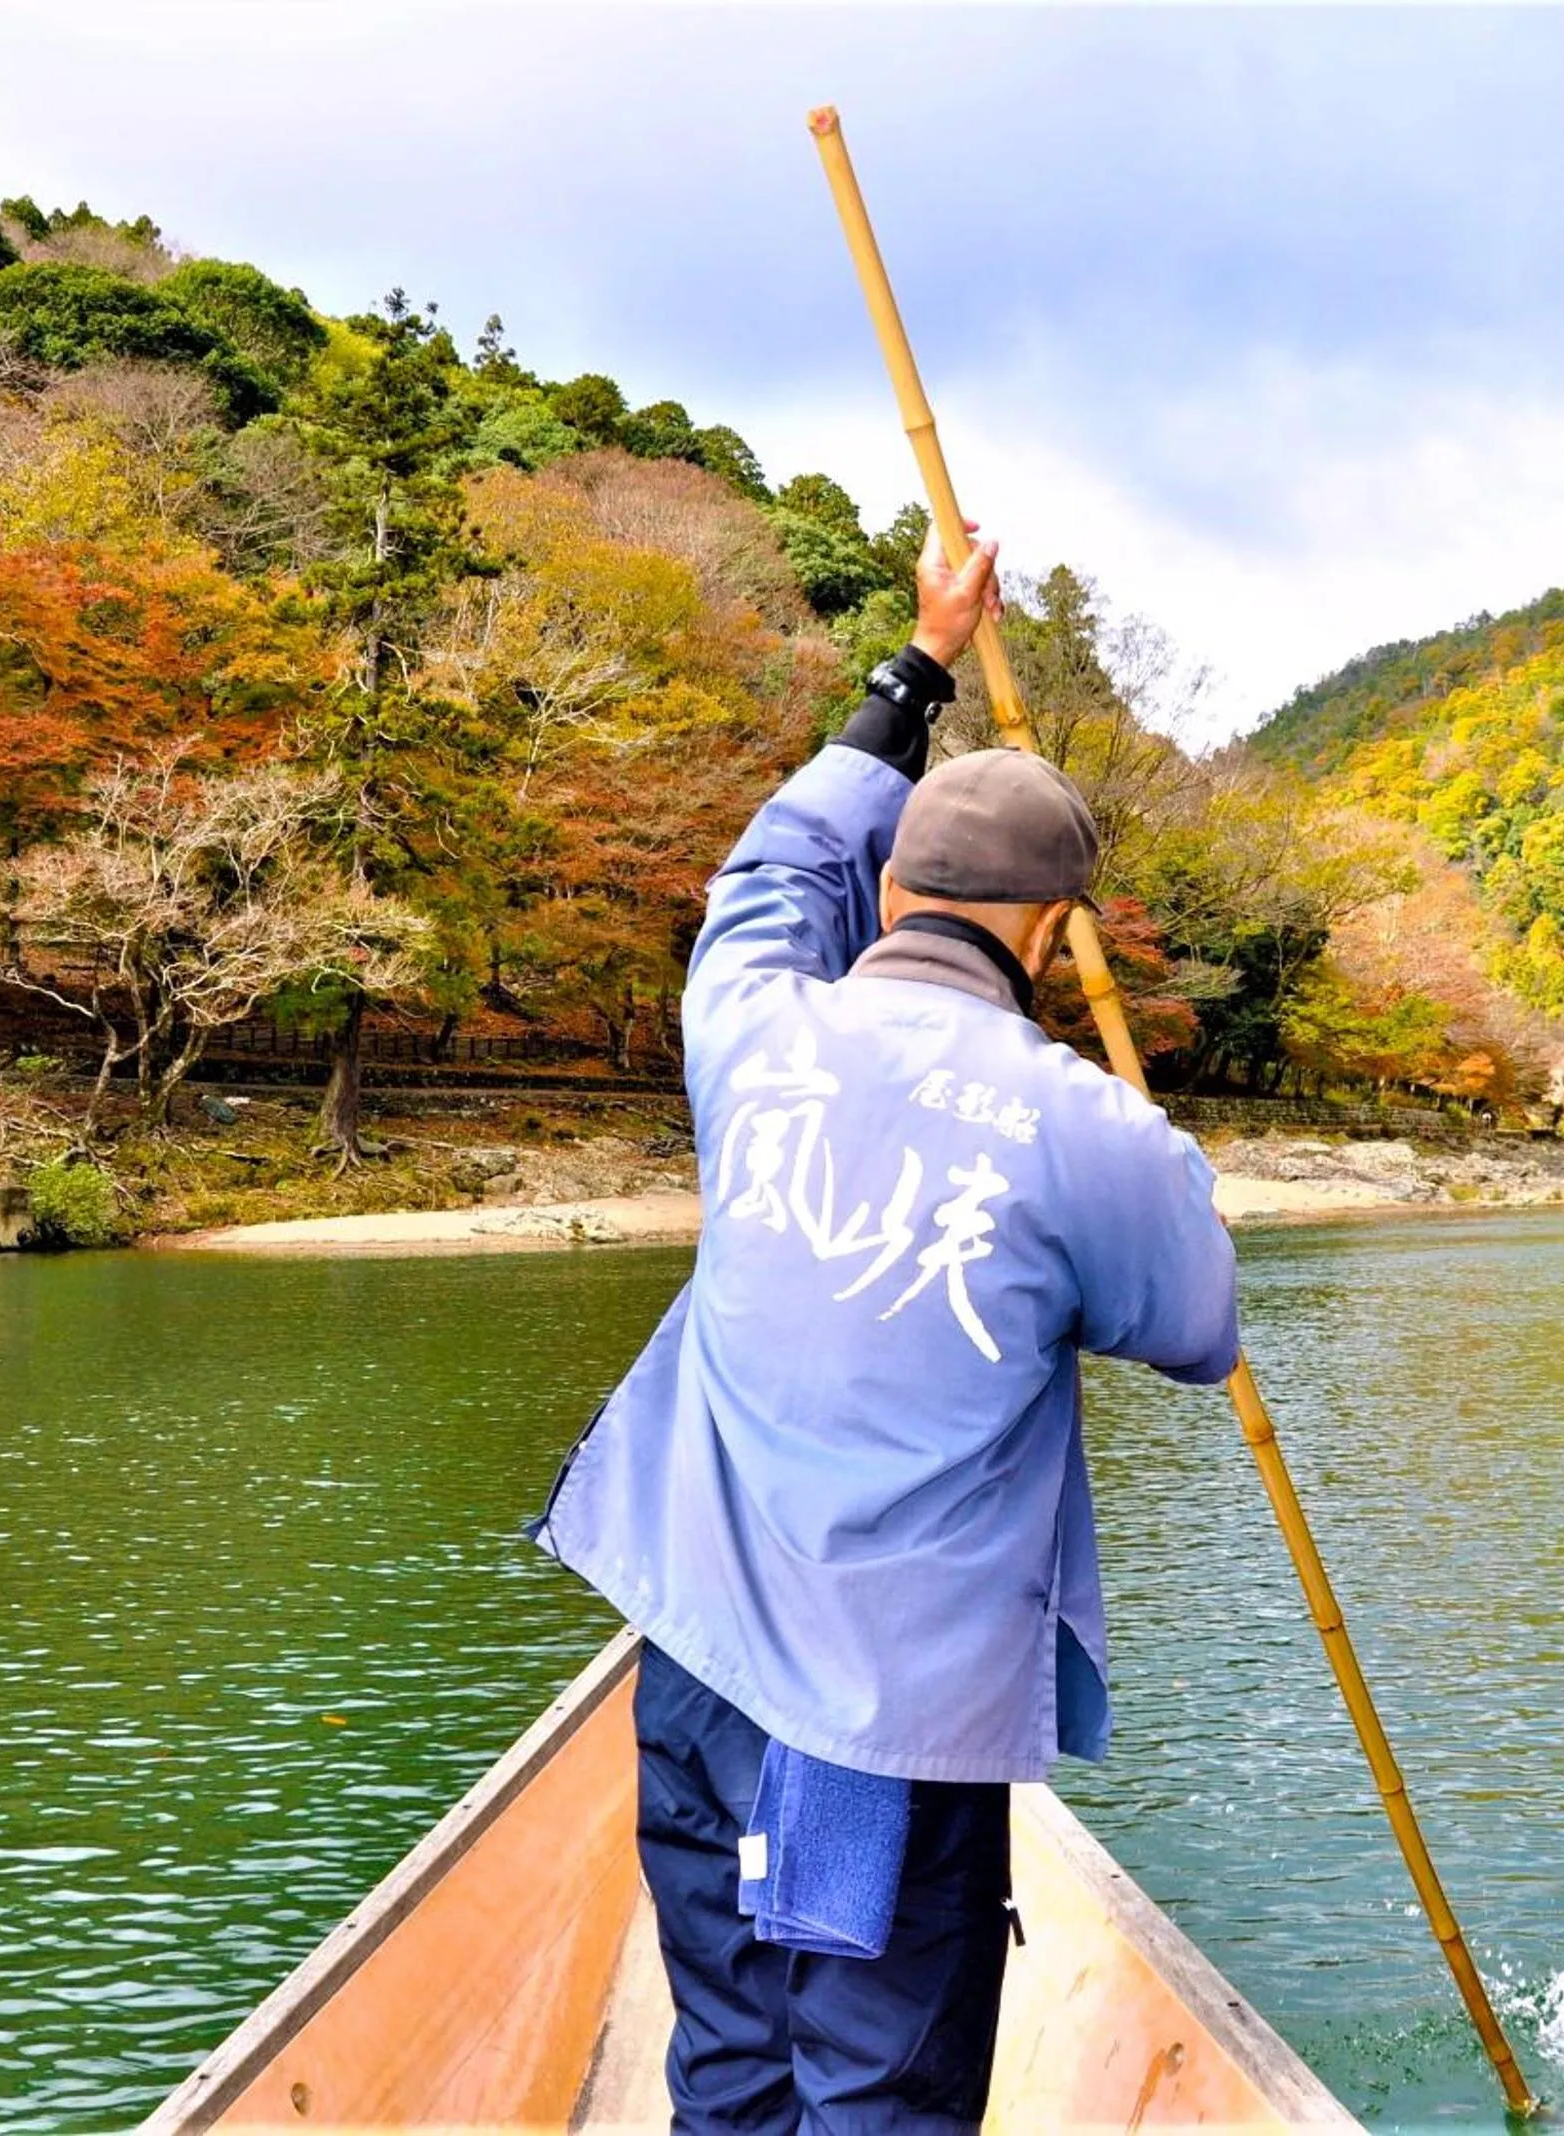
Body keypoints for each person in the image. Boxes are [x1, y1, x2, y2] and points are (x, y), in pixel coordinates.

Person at [533, 531, 1240, 2133]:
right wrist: (1147, 1140)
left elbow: (771, 867)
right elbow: (1198, 1323)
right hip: (893, 1710)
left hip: (702, 1658)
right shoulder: (1087, 1132)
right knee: (884, 2090)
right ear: (1052, 938)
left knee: (728, 2055)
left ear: (896, 885)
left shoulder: (753, 1020)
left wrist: (916, 663)